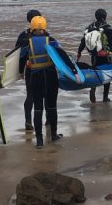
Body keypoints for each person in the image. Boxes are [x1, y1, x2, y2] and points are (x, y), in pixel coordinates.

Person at [19, 16, 70, 148]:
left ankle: (40, 141)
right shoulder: (51, 40)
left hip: (35, 76)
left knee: (38, 108)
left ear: (32, 28)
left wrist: (20, 73)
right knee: (52, 106)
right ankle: (53, 135)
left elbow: (22, 59)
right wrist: (72, 70)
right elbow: (62, 55)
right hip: (50, 75)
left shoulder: (27, 43)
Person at [76, 8, 112, 103]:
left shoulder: (90, 27)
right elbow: (111, 43)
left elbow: (83, 41)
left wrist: (79, 52)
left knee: (95, 72)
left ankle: (93, 88)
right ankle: (105, 98)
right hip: (105, 55)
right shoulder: (107, 27)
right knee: (107, 75)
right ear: (104, 17)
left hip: (94, 55)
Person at [15, 9, 41, 131]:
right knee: (44, 95)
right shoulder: (45, 35)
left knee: (30, 95)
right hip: (44, 69)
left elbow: (17, 54)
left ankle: (28, 121)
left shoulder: (23, 35)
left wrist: (20, 71)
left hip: (30, 69)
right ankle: (46, 121)